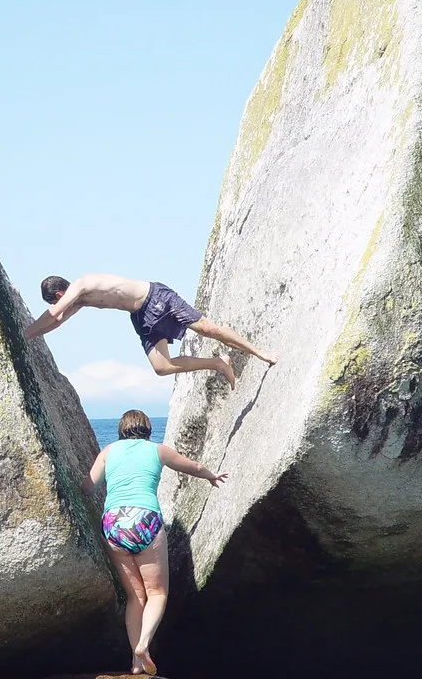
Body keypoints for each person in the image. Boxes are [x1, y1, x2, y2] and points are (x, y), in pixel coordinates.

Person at [82, 409, 227, 676]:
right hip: (144, 520)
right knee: (157, 593)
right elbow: (192, 466)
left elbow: (88, 486)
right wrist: (211, 476)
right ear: (147, 429)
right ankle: (143, 646)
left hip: (113, 523)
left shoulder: (108, 452)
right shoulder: (157, 450)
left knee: (135, 597)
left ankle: (137, 663)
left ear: (121, 430)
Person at [23, 273, 277, 390]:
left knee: (207, 329)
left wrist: (22, 334)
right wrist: (29, 337)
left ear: (59, 295)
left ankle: (259, 352)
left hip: (155, 297)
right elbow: (57, 321)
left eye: (56, 301)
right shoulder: (80, 301)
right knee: (161, 367)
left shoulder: (80, 285)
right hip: (140, 316)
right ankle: (218, 363)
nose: (58, 305)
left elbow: (55, 314)